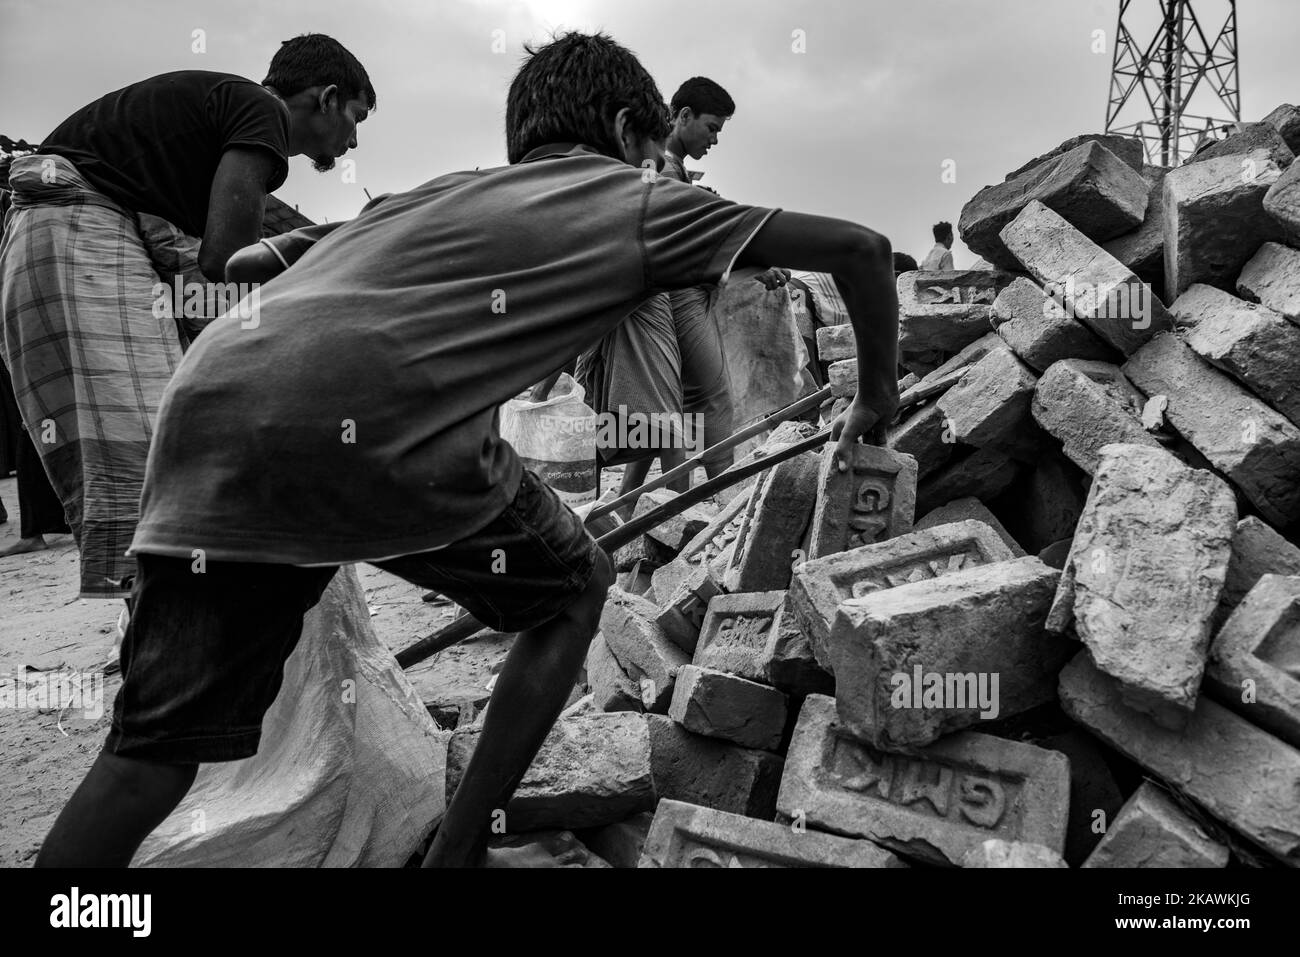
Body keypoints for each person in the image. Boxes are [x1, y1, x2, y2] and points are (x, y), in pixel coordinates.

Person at [34, 30, 899, 869]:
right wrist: (873, 398)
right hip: (380, 424)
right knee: (575, 590)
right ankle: (457, 846)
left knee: (151, 751)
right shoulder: (637, 197)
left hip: (208, 413)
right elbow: (860, 249)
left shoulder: (427, 195)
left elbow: (257, 262)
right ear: (635, 135)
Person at [0, 34, 374, 604]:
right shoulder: (261, 112)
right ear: (325, 97)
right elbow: (227, 260)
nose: (352, 140)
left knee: (173, 434)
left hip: (71, 229)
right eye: (356, 117)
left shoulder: (210, 122)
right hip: (77, 226)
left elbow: (202, 277)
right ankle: (166, 617)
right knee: (159, 450)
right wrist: (332, 258)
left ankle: (157, 616)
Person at [660, 77, 744, 479]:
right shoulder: (663, 167)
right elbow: (688, 240)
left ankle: (661, 504)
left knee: (672, 405)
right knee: (711, 398)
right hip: (681, 296)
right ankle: (720, 495)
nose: (714, 140)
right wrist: (751, 264)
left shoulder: (673, 170)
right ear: (683, 116)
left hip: (682, 294)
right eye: (712, 128)